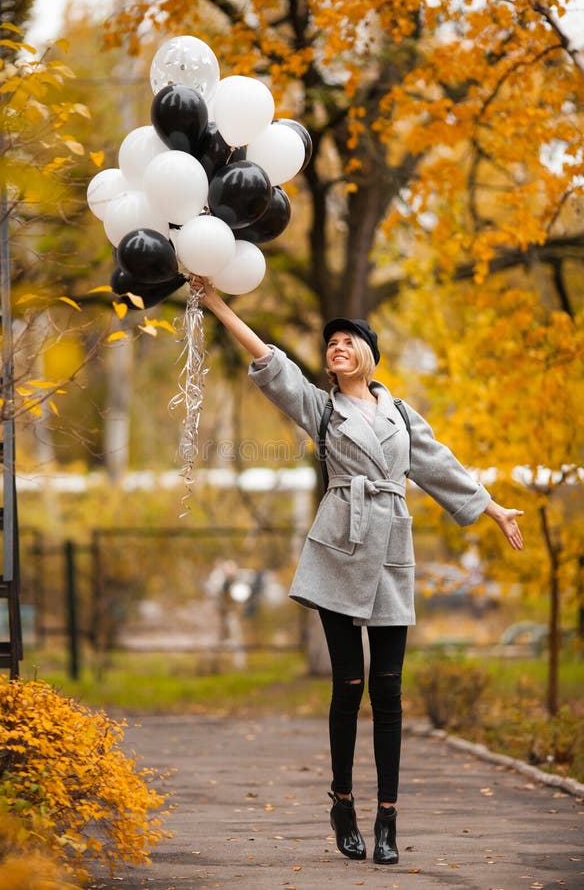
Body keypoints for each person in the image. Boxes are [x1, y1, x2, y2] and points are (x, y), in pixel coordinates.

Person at [201, 283, 524, 866]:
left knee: (390, 690)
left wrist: (494, 508)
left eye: (347, 341)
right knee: (349, 685)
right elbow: (269, 363)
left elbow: (440, 465)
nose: (336, 347)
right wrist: (220, 304)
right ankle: (343, 803)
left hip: (392, 550)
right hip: (338, 548)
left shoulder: (400, 414)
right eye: (330, 343)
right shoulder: (321, 409)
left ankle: (388, 821)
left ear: (369, 354)